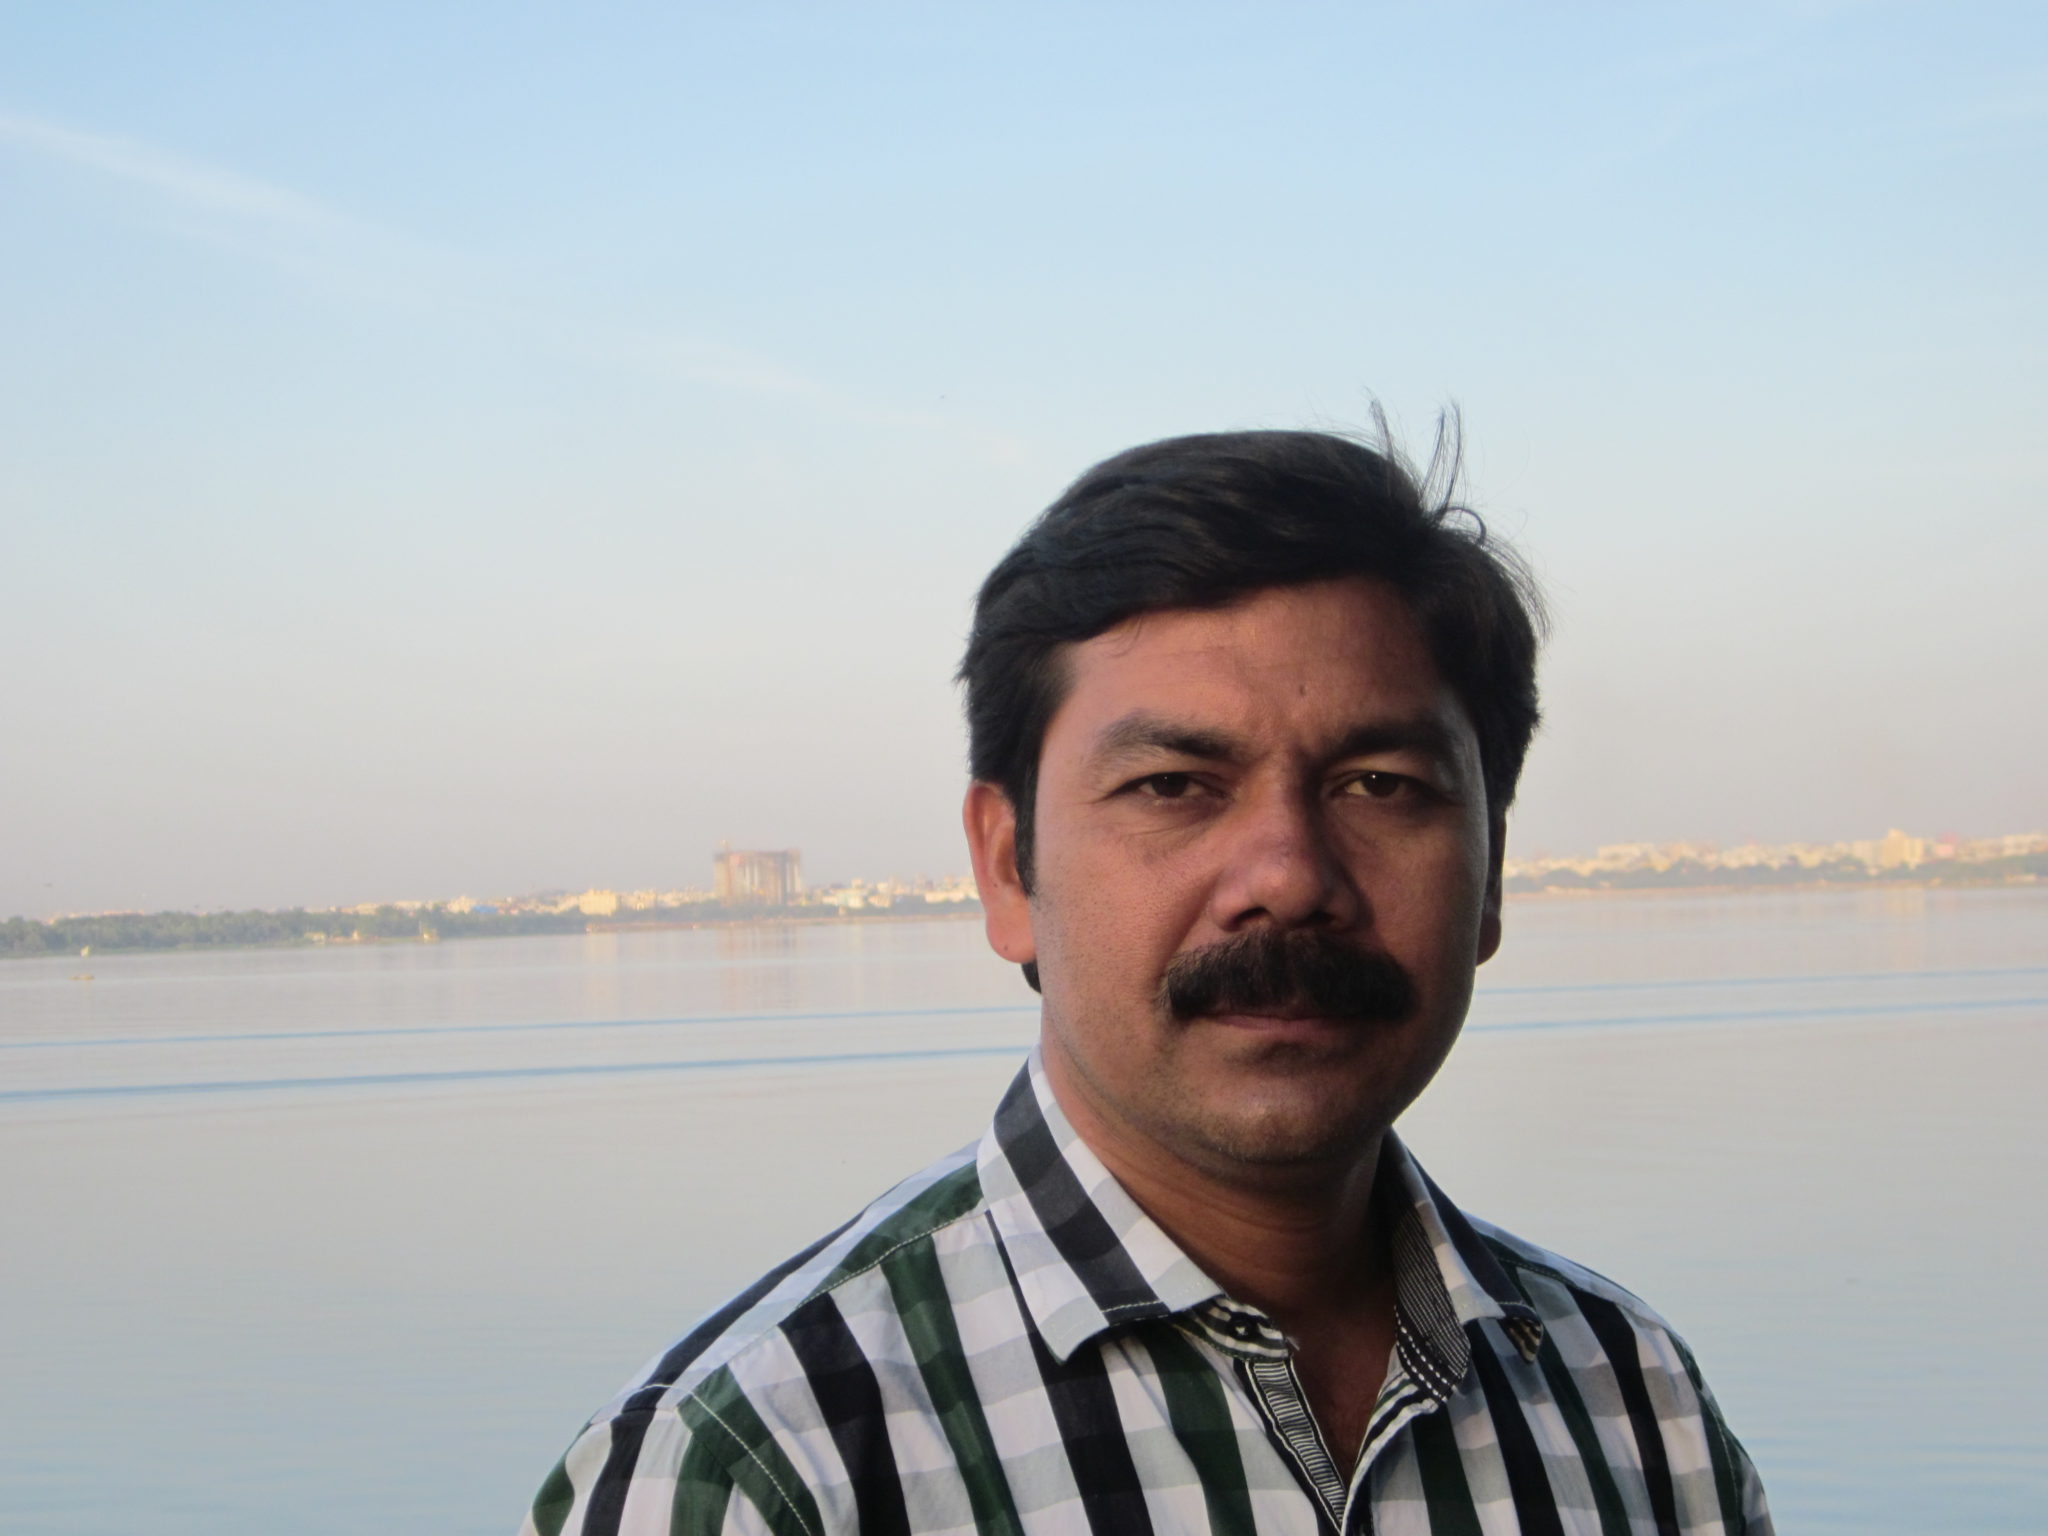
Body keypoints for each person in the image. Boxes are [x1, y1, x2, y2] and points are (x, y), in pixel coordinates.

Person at [521, 427, 1772, 1535]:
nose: (1286, 877)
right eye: (1172, 786)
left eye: (1378, 785)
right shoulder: (763, 1468)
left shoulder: (1626, 1404)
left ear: (1490, 873)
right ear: (1007, 868)